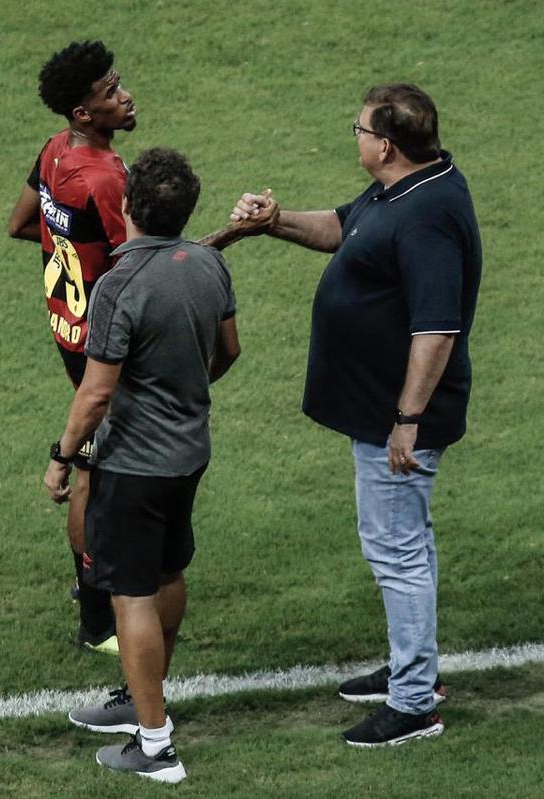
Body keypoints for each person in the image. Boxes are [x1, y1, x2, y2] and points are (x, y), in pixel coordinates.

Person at [205, 83, 481, 748]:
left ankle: (414, 700)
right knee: (407, 539)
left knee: (397, 550)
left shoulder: (428, 216)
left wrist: (407, 418)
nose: (353, 135)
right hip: (379, 407)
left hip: (398, 416)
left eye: (358, 128)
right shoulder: (406, 187)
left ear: (385, 145)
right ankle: (414, 667)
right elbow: (344, 227)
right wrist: (272, 222)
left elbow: (437, 329)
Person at [44, 147, 240, 783]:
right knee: (167, 572)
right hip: (188, 453)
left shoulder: (118, 285)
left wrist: (62, 458)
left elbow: (96, 392)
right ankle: (142, 696)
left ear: (127, 208)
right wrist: (181, 390)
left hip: (133, 465)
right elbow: (229, 349)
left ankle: (155, 746)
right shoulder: (208, 263)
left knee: (130, 591)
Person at [7, 41, 138, 654]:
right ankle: (95, 617)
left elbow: (20, 224)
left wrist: (68, 246)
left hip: (67, 327)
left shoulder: (55, 149)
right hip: (101, 345)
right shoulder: (108, 178)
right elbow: (145, 264)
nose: (124, 95)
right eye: (110, 93)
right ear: (84, 114)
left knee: (97, 463)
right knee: (92, 469)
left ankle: (88, 585)